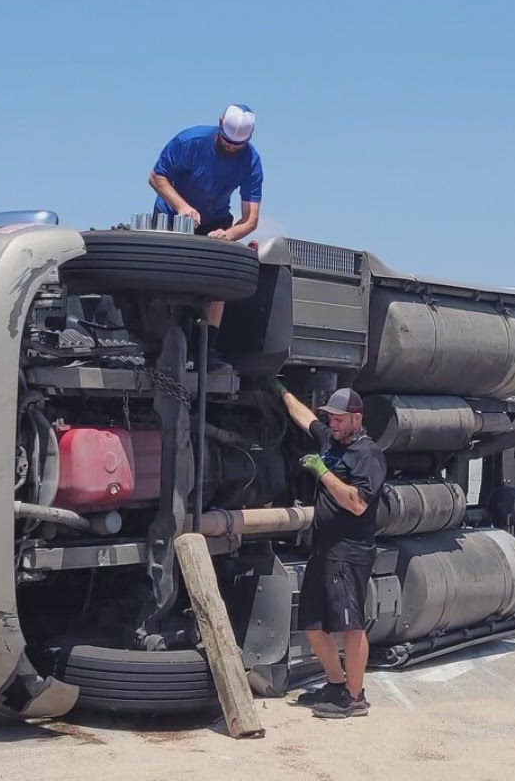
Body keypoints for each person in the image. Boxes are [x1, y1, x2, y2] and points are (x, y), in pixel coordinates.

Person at [273, 382, 384, 718]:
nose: (332, 424)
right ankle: (335, 685)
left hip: (350, 553)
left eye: (338, 419)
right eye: (330, 418)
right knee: (311, 622)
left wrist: (323, 472)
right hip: (323, 549)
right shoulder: (329, 439)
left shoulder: (368, 455)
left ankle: (354, 697)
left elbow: (357, 504)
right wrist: (280, 389)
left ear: (356, 418)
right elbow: (304, 418)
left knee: (351, 626)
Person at [147, 104, 263, 327]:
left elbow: (251, 219)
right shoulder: (190, 141)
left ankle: (208, 344)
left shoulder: (251, 161)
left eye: (237, 146)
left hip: (215, 221)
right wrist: (182, 207)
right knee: (164, 276)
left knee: (218, 281)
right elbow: (156, 177)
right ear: (220, 124)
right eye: (227, 142)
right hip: (171, 216)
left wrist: (228, 235)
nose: (231, 148)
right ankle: (157, 332)